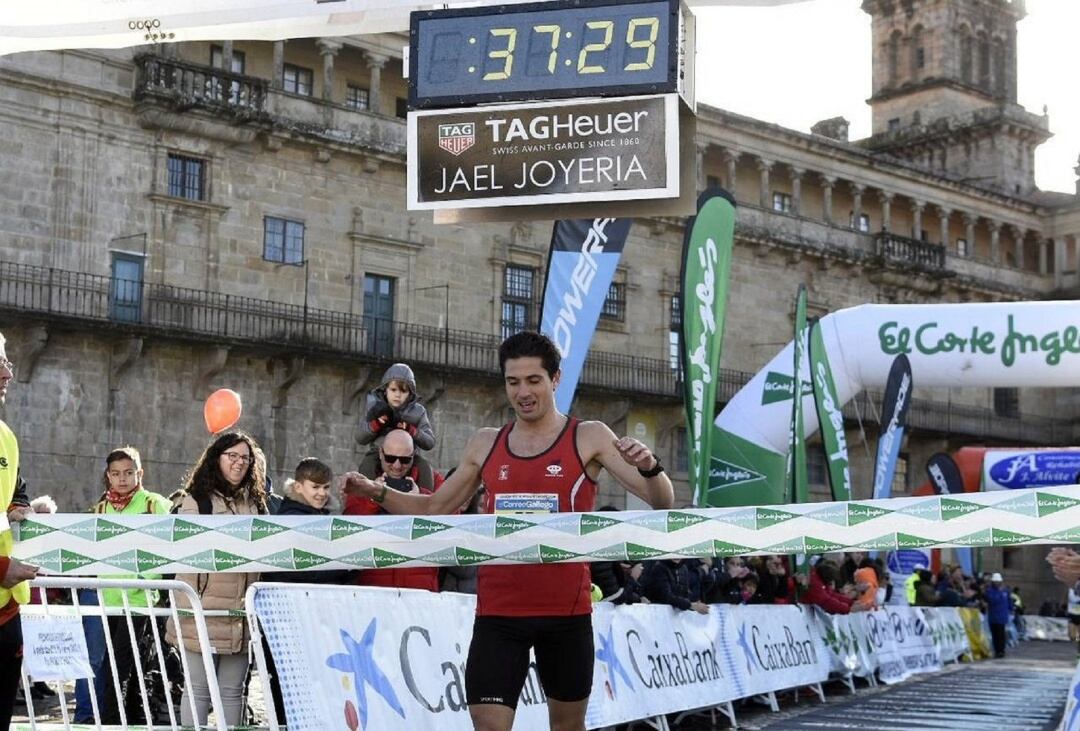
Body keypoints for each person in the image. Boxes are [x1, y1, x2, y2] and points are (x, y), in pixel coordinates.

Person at [341, 331, 673, 731]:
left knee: (567, 727)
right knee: (488, 726)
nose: (523, 392)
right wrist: (376, 491)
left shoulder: (589, 436)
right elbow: (432, 508)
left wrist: (650, 467)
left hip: (564, 613)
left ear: (555, 379)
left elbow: (661, 501)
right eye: (513, 382)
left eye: (533, 380)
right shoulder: (486, 443)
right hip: (499, 613)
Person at [166, 431, 267, 727]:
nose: (239, 462)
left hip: (240, 612)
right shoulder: (196, 501)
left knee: (233, 692)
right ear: (216, 458)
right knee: (198, 690)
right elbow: (185, 552)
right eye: (232, 456)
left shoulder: (256, 503)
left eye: (245, 458)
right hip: (201, 609)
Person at [262, 457, 353, 722]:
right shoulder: (290, 520)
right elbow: (299, 570)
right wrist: (347, 568)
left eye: (325, 487)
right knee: (289, 685)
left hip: (313, 616)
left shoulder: (321, 517)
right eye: (315, 487)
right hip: (290, 617)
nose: (322, 493)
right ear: (298, 486)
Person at [87, 447, 173, 725]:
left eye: (128, 473)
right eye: (115, 474)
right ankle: (137, 719)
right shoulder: (101, 508)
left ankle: (112, 721)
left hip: (139, 600)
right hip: (109, 597)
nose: (122, 479)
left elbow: (166, 546)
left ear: (140, 473)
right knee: (129, 665)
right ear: (108, 476)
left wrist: (147, 581)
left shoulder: (154, 504)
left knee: (118, 665)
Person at [345, 429, 442, 592]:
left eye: (404, 460)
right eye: (390, 458)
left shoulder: (433, 480)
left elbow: (452, 516)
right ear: (381, 453)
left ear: (413, 456)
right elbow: (350, 525)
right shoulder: (363, 482)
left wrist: (420, 499)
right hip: (376, 583)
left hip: (419, 585)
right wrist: (373, 496)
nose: (397, 466)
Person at [0, 335, 39, 731]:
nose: (7, 373)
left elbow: (15, 492)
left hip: (7, 609)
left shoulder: (6, 435)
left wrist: (22, 508)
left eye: (7, 362)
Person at [356, 363, 436, 489]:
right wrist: (376, 424)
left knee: (425, 468)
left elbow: (430, 442)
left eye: (403, 391)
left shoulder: (418, 412)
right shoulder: (375, 407)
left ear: (410, 394)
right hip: (380, 452)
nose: (398, 395)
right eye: (393, 390)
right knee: (367, 465)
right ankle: (365, 497)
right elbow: (360, 438)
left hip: (407, 456)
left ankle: (425, 498)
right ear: (385, 390)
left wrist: (412, 430)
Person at [641, 559, 709, 614]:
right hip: (659, 614)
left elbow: (685, 593)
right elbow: (666, 596)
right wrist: (690, 605)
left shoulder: (683, 568)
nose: (676, 557)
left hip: (676, 616)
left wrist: (696, 603)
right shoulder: (659, 568)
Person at [984, 572, 1012, 658]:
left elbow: (1009, 601)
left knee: (1001, 634)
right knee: (995, 634)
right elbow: (992, 601)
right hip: (993, 617)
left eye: (998, 582)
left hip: (1002, 617)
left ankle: (1001, 651)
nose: (997, 583)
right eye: (995, 582)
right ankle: (997, 650)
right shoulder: (990, 591)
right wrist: (999, 593)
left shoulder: (1006, 591)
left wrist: (1010, 609)